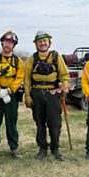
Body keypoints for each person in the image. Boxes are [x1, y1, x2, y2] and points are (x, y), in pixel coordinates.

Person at [24, 31, 69, 161]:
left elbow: (64, 75)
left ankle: (55, 148)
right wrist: (27, 96)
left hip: (53, 94)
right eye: (40, 41)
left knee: (54, 123)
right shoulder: (31, 59)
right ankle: (42, 148)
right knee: (39, 123)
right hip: (37, 94)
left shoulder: (56, 57)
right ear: (36, 44)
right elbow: (26, 79)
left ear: (49, 42)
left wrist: (64, 87)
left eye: (45, 41)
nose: (43, 43)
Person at [0, 30, 24, 161]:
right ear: (2, 42)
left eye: (11, 43)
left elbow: (19, 78)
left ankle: (14, 147)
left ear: (14, 45)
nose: (8, 45)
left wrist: (9, 91)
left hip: (11, 96)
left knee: (11, 122)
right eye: (6, 42)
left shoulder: (18, 61)